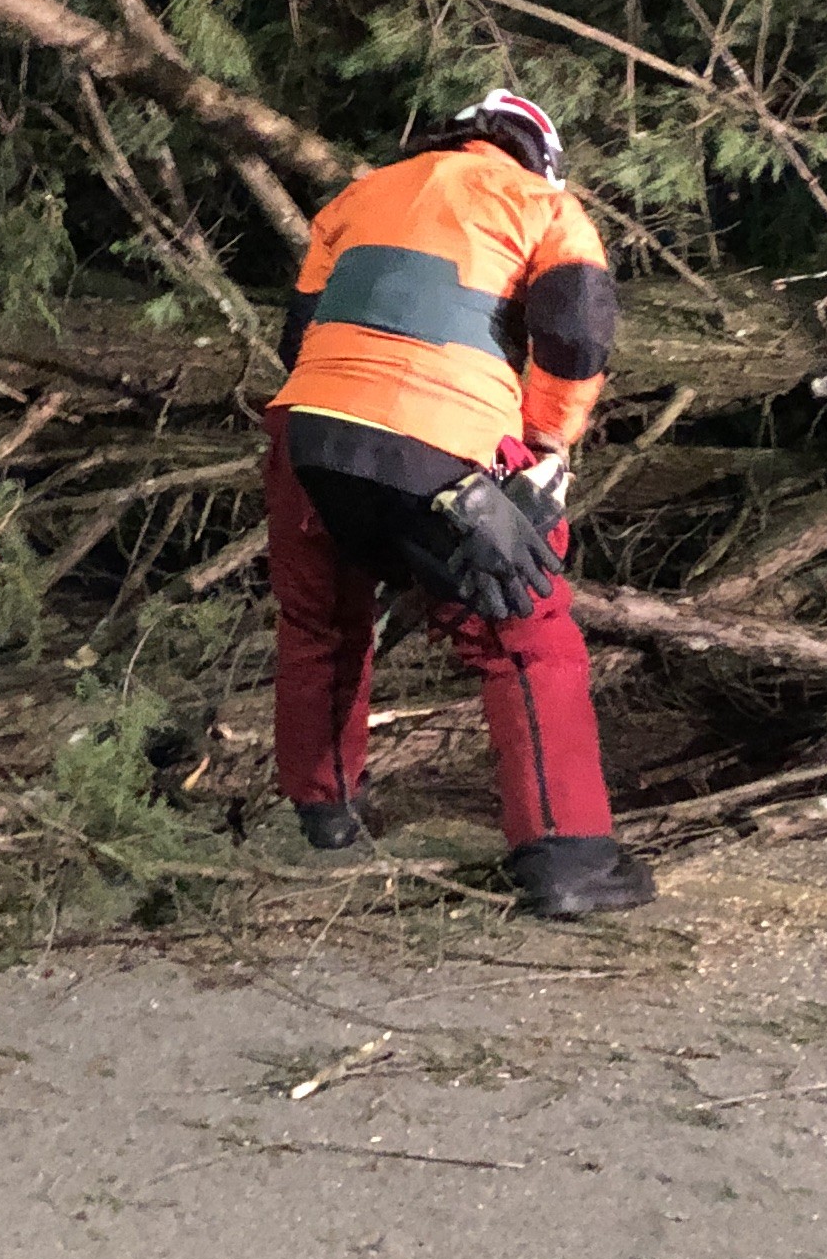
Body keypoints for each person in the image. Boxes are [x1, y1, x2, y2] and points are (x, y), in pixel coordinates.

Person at [263, 88, 654, 918]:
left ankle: (326, 817)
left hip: (307, 431)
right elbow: (577, 331)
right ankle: (569, 858)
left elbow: (299, 335)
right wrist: (546, 442)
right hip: (440, 440)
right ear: (538, 153)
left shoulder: (358, 197)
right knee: (531, 637)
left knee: (320, 625)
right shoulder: (545, 206)